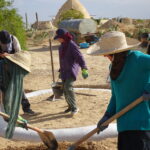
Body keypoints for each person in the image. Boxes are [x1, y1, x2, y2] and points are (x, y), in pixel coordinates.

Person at [87, 31, 150, 150]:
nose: (105, 56)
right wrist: (107, 115)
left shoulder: (138, 59)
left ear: (119, 52)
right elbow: (115, 96)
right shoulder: (113, 67)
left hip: (142, 125)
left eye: (108, 53)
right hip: (124, 125)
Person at [54, 28, 88, 115]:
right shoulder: (61, 46)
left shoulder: (72, 45)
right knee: (64, 90)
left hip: (71, 70)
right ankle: (70, 106)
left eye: (59, 38)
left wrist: (84, 68)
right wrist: (61, 70)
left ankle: (75, 107)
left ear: (64, 37)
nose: (58, 39)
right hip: (64, 71)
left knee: (68, 87)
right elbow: (62, 60)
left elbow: (79, 57)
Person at [0, 30, 35, 115]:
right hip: (1, 67)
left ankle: (26, 108)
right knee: (3, 88)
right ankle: (6, 112)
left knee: (18, 86)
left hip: (13, 65)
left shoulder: (14, 39)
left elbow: (19, 54)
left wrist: (8, 55)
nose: (5, 45)